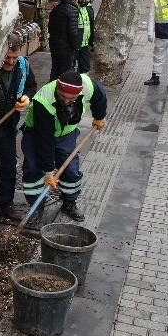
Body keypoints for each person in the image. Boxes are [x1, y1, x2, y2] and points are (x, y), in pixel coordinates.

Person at [21, 71, 107, 223]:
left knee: (71, 169)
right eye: (62, 96)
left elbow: (100, 97)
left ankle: (69, 203)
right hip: (37, 134)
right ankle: (36, 206)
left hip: (67, 133)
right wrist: (48, 171)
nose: (67, 101)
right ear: (57, 89)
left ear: (79, 92)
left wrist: (99, 117)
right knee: (34, 169)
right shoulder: (43, 100)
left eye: (72, 98)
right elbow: (45, 140)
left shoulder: (88, 86)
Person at [0, 34, 38, 221]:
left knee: (8, 167)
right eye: (7, 57)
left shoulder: (23, 67)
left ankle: (5, 205)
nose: (11, 62)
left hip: (8, 126)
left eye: (15, 57)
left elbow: (31, 87)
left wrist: (27, 97)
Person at [48, 0, 82, 78]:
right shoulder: (73, 11)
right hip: (66, 47)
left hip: (55, 44)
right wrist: (76, 46)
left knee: (55, 68)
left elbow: (50, 27)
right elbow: (72, 32)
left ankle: (53, 87)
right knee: (66, 71)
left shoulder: (56, 9)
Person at [75, 0, 96, 73]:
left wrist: (91, 43)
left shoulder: (89, 9)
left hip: (84, 45)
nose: (84, 0)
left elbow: (91, 26)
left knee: (85, 69)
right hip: (75, 45)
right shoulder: (74, 8)